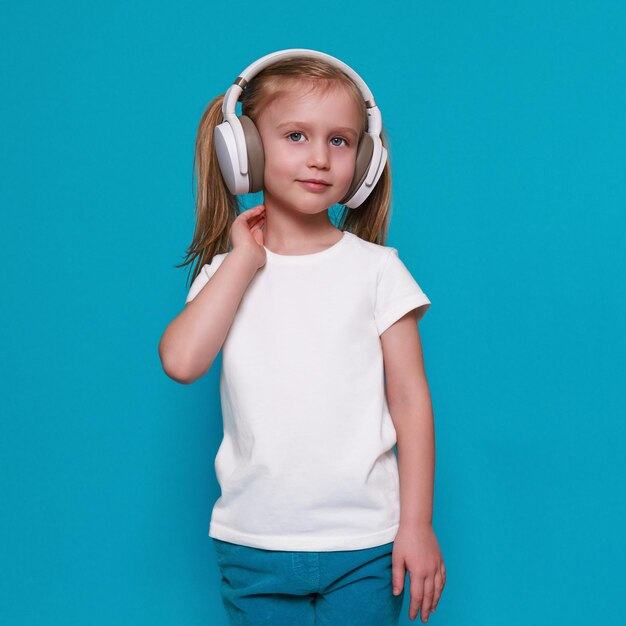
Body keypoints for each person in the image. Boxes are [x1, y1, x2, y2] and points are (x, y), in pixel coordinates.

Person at [159, 48, 446, 625]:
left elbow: (411, 402)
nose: (319, 158)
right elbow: (183, 362)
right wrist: (242, 262)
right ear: (245, 152)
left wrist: (417, 524)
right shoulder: (229, 272)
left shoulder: (378, 271)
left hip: (367, 543)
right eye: (295, 135)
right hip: (253, 543)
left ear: (363, 161)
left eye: (339, 141)